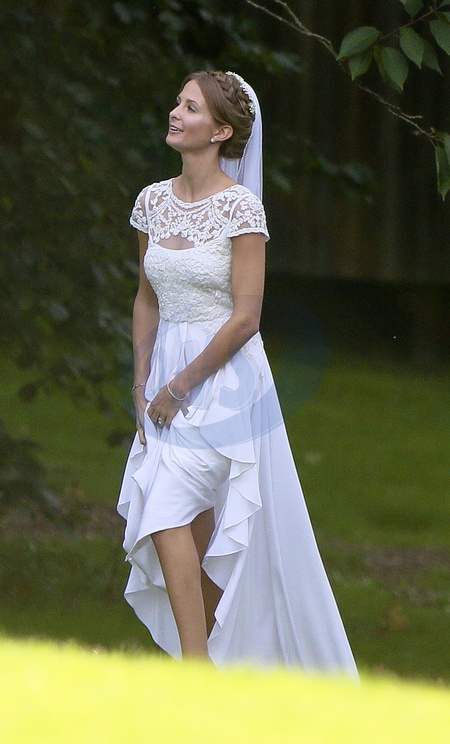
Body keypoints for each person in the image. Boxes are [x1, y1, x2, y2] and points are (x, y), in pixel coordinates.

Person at [117, 70, 358, 676]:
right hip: (165, 373)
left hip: (223, 380)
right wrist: (142, 384)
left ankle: (197, 674)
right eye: (177, 102)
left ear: (221, 131)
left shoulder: (241, 208)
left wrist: (179, 387)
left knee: (165, 512)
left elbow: (247, 318)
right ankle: (221, 665)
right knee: (193, 530)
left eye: (191, 108)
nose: (175, 113)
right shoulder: (151, 201)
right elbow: (147, 298)